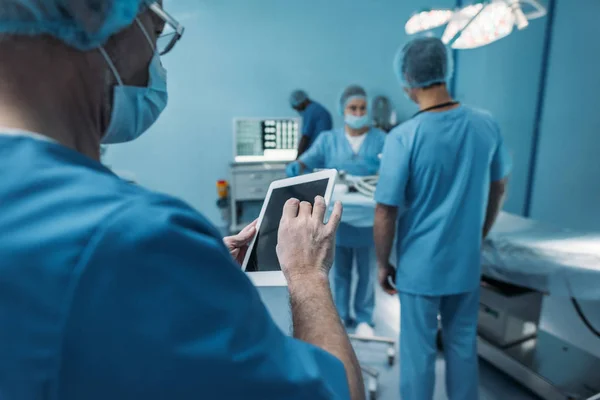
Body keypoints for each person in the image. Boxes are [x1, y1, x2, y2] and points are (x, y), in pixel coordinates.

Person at [0, 2, 365, 399]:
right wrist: (307, 275)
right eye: (157, 34)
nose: (157, 60)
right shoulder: (137, 240)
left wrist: (193, 276)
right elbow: (337, 392)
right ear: (93, 18)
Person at [373, 37, 511, 400]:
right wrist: (478, 234)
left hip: (421, 267)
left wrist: (382, 263)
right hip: (465, 263)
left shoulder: (405, 136)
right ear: (444, 71)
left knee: (418, 353)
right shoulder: (486, 125)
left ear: (407, 80)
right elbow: (498, 187)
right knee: (463, 346)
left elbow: (385, 209)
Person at [287, 86, 386, 337]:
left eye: (363, 108)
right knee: (339, 269)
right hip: (337, 217)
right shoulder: (328, 139)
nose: (358, 112)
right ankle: (340, 314)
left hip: (368, 218)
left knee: (367, 269)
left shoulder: (381, 139)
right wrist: (297, 165)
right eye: (353, 108)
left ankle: (364, 318)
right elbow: (308, 159)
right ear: (344, 110)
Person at [289, 89, 333, 157]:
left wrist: (297, 158)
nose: (298, 110)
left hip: (316, 153)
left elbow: (305, 137)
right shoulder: (318, 108)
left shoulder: (310, 111)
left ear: (301, 102)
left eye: (297, 108)